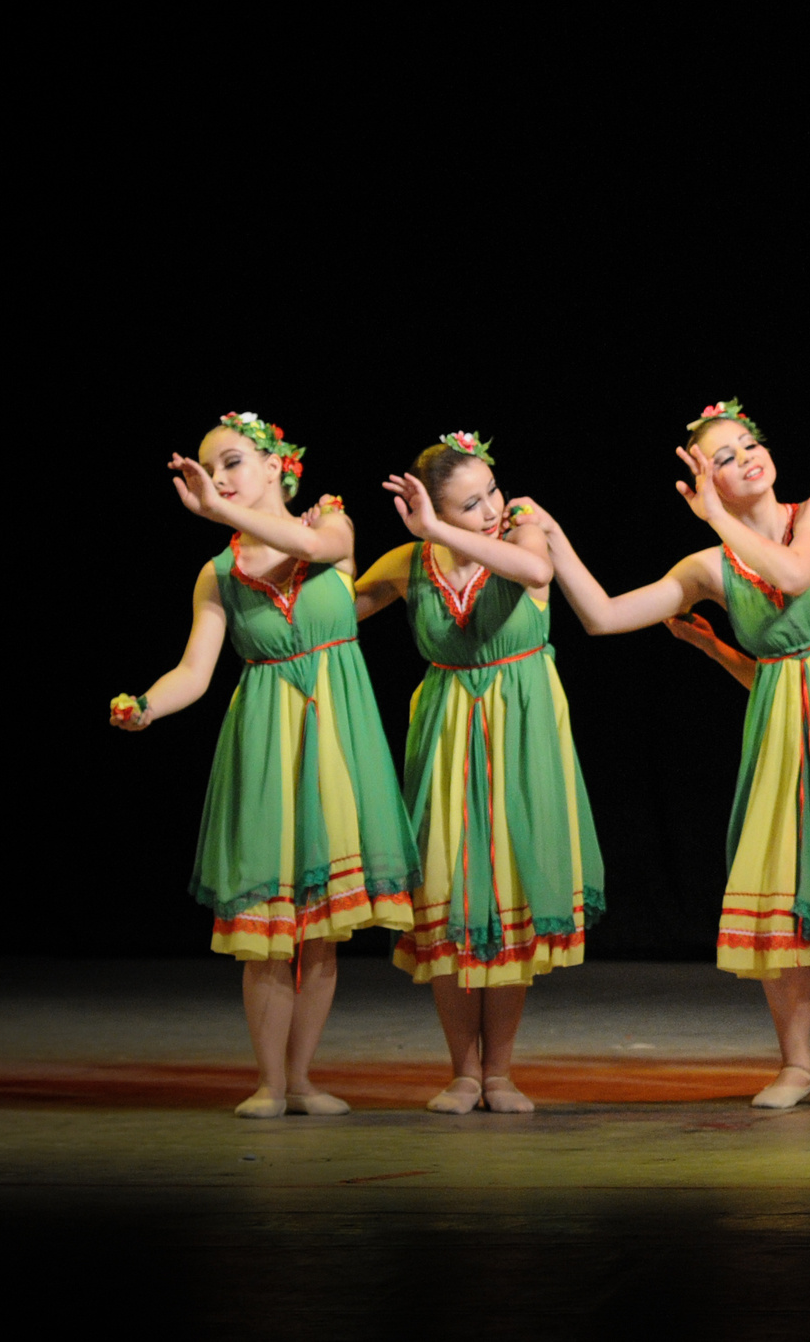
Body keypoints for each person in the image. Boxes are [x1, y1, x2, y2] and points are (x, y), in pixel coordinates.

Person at [517, 401, 810, 1110]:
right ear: (702, 479)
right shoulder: (709, 565)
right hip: (782, 734)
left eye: (749, 445)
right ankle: (795, 1065)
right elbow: (604, 616)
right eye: (726, 457)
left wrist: (719, 516)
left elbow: (799, 579)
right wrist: (554, 538)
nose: (748, 459)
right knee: (783, 899)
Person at [109, 412, 414, 1117]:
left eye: (234, 462)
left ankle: (303, 1078)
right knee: (269, 934)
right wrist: (148, 705)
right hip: (269, 741)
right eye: (213, 469)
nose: (220, 479)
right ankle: (270, 1083)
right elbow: (195, 669)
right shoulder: (217, 575)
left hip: (339, 740)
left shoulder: (331, 528)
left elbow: (306, 541)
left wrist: (217, 511)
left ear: (278, 466)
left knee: (322, 928)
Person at [350, 430, 599, 1114]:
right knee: (452, 897)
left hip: (522, 731)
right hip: (449, 731)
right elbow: (336, 615)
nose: (491, 508)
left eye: (491, 491)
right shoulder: (410, 563)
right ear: (432, 510)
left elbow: (538, 576)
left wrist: (444, 529)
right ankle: (463, 1071)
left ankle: (501, 1073)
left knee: (510, 896)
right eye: (469, 505)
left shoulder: (525, 537)